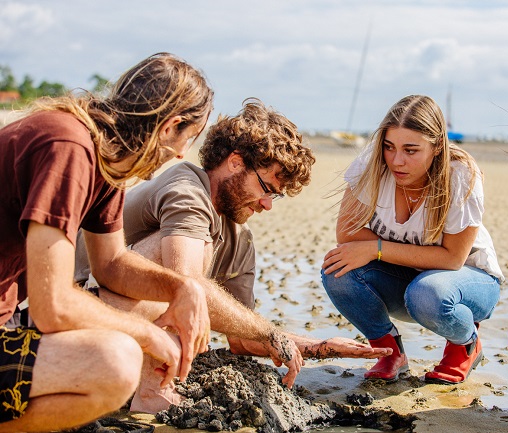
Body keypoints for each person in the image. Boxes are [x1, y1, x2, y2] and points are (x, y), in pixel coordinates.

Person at [0, 53, 300, 432]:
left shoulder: (106, 163)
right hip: (20, 323)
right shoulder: (68, 145)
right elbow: (53, 304)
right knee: (116, 362)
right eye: (187, 139)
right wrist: (146, 334)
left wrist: (183, 287)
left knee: (120, 353)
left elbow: (111, 266)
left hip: (10, 320)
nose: (179, 154)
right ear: (170, 126)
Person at [74, 98, 390, 414]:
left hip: (128, 341)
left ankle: (145, 383)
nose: (267, 205)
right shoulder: (186, 187)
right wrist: (271, 334)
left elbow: (241, 338)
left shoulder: (241, 240)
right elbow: (185, 285)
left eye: (275, 197)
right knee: (186, 278)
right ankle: (154, 394)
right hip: (78, 324)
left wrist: (317, 347)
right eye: (266, 188)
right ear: (236, 162)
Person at [321, 95, 504, 384]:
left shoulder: (460, 174)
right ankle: (389, 352)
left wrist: (376, 248)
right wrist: (375, 252)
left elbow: (452, 258)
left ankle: (465, 343)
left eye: (411, 150)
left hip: (468, 283)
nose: (396, 160)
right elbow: (347, 235)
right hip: (409, 280)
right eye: (389, 147)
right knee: (338, 268)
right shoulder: (372, 163)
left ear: (437, 147)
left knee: (428, 291)